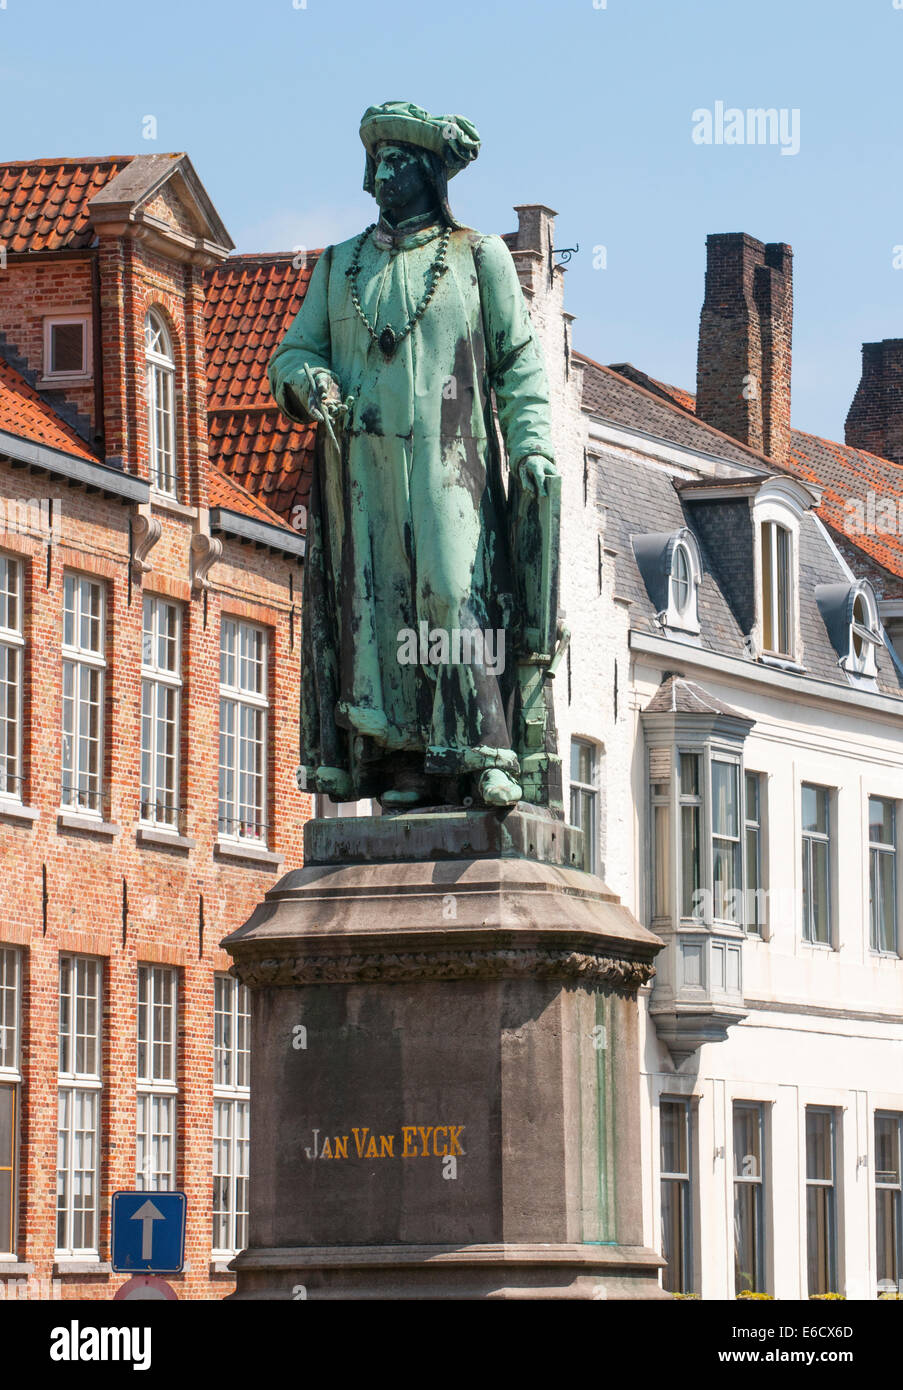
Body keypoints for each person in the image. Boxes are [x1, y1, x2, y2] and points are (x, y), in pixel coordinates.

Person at [269, 100, 559, 809]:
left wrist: (530, 446)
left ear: (431, 174)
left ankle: (483, 749)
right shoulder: (339, 264)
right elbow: (293, 352)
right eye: (378, 162)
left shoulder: (476, 256)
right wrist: (308, 380)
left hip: (449, 456)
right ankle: (401, 764)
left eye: (399, 161)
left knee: (451, 589)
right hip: (362, 467)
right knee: (376, 608)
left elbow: (519, 364)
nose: (384, 174)